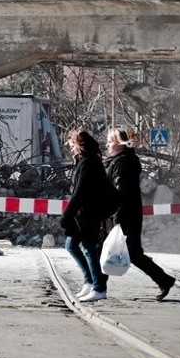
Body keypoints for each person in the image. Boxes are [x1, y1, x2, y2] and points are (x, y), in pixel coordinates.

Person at [105, 128, 176, 301]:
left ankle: (96, 286)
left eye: (110, 141)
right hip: (129, 213)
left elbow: (121, 192)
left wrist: (117, 218)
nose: (107, 145)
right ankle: (163, 280)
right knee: (129, 252)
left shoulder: (122, 163)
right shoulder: (122, 160)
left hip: (125, 214)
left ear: (120, 144)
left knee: (130, 252)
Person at [60, 129, 109, 302]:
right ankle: (90, 281)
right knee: (71, 245)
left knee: (88, 248)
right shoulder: (84, 161)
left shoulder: (89, 163)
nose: (71, 148)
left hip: (89, 214)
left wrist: (67, 214)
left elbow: (79, 192)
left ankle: (99, 288)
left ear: (79, 145)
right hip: (83, 214)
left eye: (72, 145)